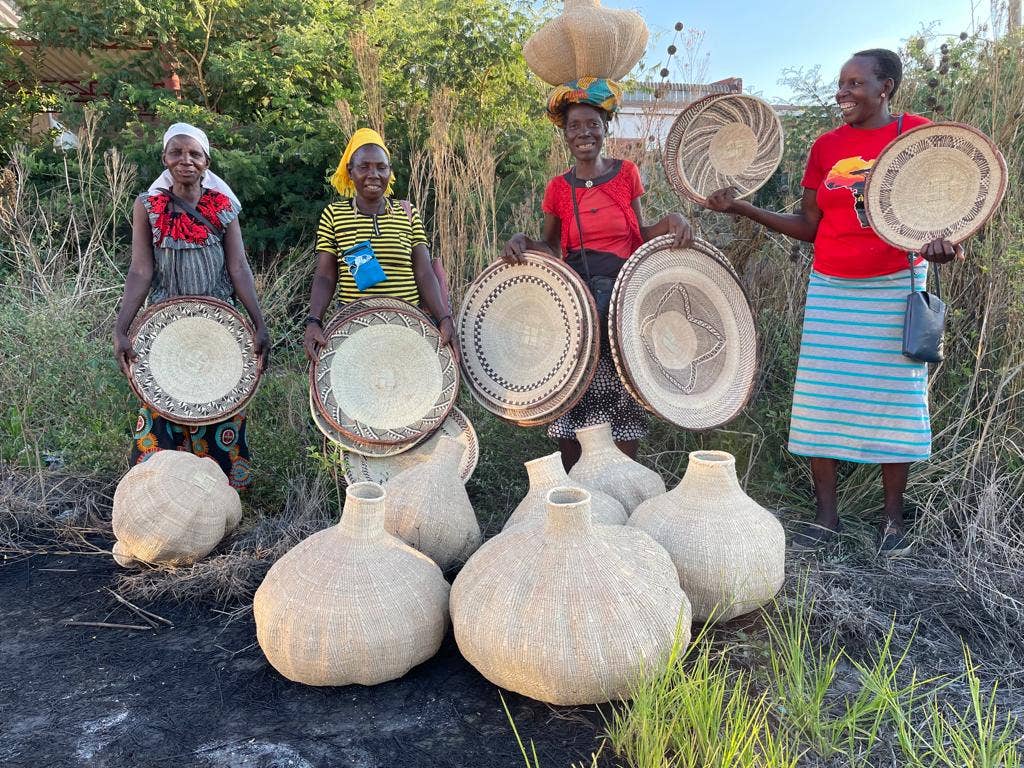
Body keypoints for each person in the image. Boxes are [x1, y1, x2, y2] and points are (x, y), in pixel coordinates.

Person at [704, 49, 963, 556]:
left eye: (855, 83)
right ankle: (827, 518)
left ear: (885, 87)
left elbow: (947, 211)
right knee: (819, 398)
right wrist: (741, 207)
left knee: (897, 401)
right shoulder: (826, 147)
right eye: (840, 84)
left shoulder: (916, 135)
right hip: (832, 288)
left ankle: (892, 520)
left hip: (896, 287)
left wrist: (947, 245)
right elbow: (809, 227)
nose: (842, 93)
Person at [503, 77, 693, 470]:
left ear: (606, 128)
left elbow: (639, 234)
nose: (584, 132)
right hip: (578, 300)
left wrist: (671, 221)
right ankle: (577, 483)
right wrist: (522, 240)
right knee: (575, 386)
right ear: (565, 135)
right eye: (575, 126)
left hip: (624, 296)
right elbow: (553, 247)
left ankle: (622, 480)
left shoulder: (626, 174)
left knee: (623, 385)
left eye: (592, 124)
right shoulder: (558, 187)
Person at [113, 123, 270, 490]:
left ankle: (219, 501)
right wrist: (122, 328)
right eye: (176, 153)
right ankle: (160, 494)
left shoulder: (223, 208)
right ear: (165, 159)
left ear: (206, 162)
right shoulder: (148, 207)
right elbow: (141, 269)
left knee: (219, 405)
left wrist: (258, 322)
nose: (185, 160)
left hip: (219, 327)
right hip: (164, 327)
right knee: (163, 407)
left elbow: (238, 267)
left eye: (194, 154)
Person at [302, 128, 456, 361]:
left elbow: (424, 273)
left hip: (407, 326)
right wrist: (314, 321)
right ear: (350, 172)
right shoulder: (334, 215)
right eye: (364, 167)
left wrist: (444, 318)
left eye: (381, 167)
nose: (373, 174)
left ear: (389, 172)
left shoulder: (407, 213)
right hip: (355, 328)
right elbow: (325, 276)